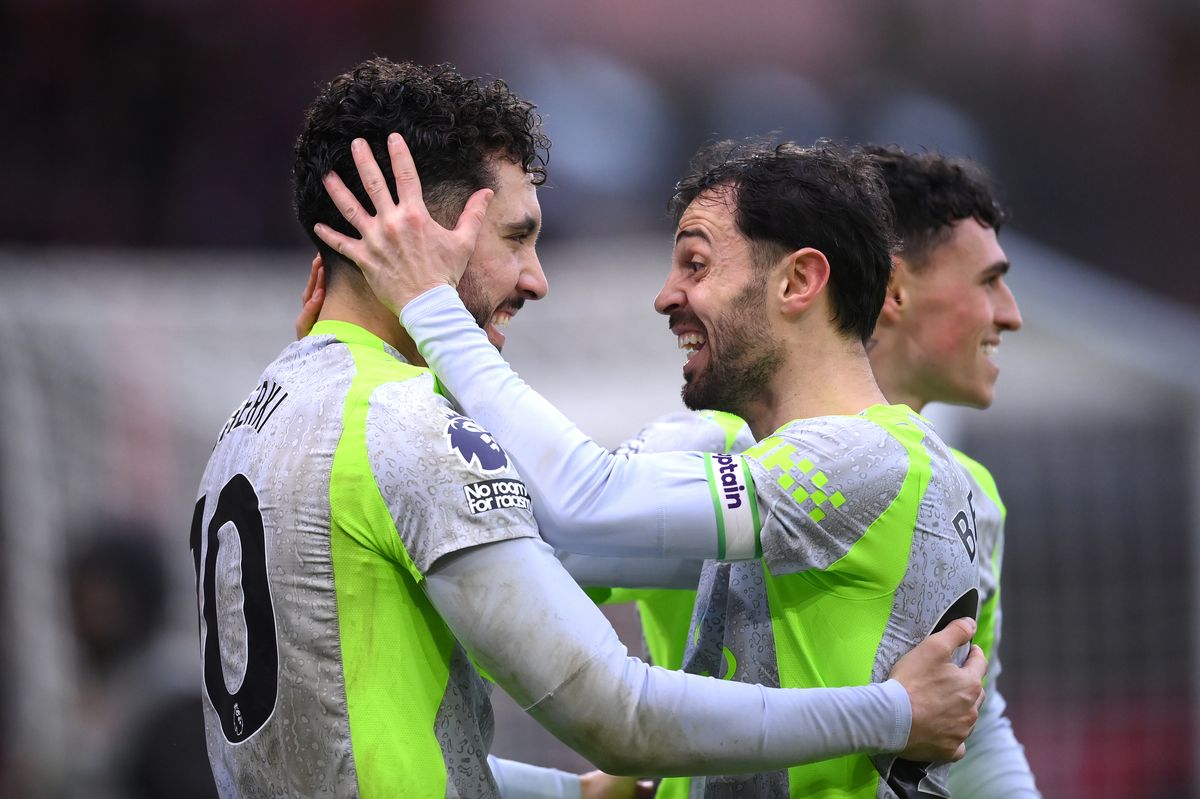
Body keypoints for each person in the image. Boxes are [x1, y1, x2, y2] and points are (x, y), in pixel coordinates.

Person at [194, 60, 985, 798]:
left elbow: (397, 741)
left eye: (696, 265)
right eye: (516, 237)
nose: (538, 277)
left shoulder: (251, 422)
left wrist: (569, 790)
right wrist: (891, 710)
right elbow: (615, 702)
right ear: (426, 239)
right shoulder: (407, 428)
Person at [864, 144, 1040, 797]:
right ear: (894, 289)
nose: (1010, 313)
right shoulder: (730, 462)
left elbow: (977, 722)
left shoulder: (973, 495)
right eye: (989, 280)